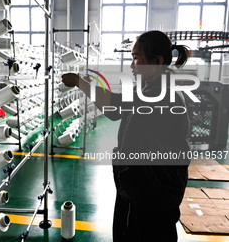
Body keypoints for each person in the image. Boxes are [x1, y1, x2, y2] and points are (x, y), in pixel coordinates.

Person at [61, 30, 192, 242]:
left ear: (156, 61)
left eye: (136, 57)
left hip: (149, 197)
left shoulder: (159, 95)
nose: (131, 64)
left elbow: (111, 107)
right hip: (147, 192)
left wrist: (79, 82)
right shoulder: (153, 89)